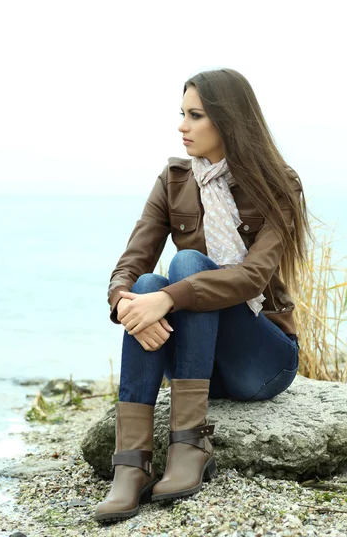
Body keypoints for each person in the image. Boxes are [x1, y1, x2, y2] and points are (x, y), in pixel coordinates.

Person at [94, 68, 313, 523]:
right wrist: (123, 300)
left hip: (262, 361)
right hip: (199, 362)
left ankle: (191, 445)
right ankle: (131, 466)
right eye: (182, 114)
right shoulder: (174, 179)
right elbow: (130, 263)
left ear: (228, 121)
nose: (182, 126)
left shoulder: (279, 183)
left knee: (185, 267)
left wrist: (170, 299)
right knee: (146, 285)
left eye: (195, 116)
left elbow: (252, 277)